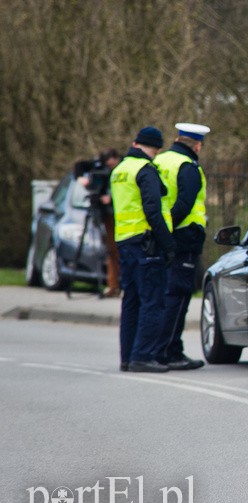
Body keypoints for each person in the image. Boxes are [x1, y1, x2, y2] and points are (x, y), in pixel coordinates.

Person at [111, 126, 175, 373]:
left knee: (131, 302)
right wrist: (168, 243)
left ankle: (127, 357)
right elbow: (152, 210)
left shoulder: (119, 170)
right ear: (153, 147)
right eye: (157, 150)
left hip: (125, 242)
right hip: (146, 244)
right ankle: (143, 356)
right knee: (153, 303)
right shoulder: (145, 169)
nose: (157, 155)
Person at [153, 123, 210, 371]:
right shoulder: (188, 166)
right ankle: (170, 352)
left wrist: (160, 231)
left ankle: (158, 348)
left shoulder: (159, 160)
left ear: (177, 138)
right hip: (182, 239)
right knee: (178, 297)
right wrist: (169, 229)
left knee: (162, 296)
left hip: (158, 238)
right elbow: (184, 204)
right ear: (197, 145)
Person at [75, 149, 122, 297]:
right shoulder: (99, 167)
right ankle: (112, 285)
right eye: (108, 165)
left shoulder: (125, 167)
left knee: (120, 251)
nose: (110, 167)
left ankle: (120, 285)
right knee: (111, 250)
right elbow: (79, 166)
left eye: (112, 164)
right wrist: (81, 179)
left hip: (121, 214)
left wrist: (112, 198)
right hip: (107, 214)